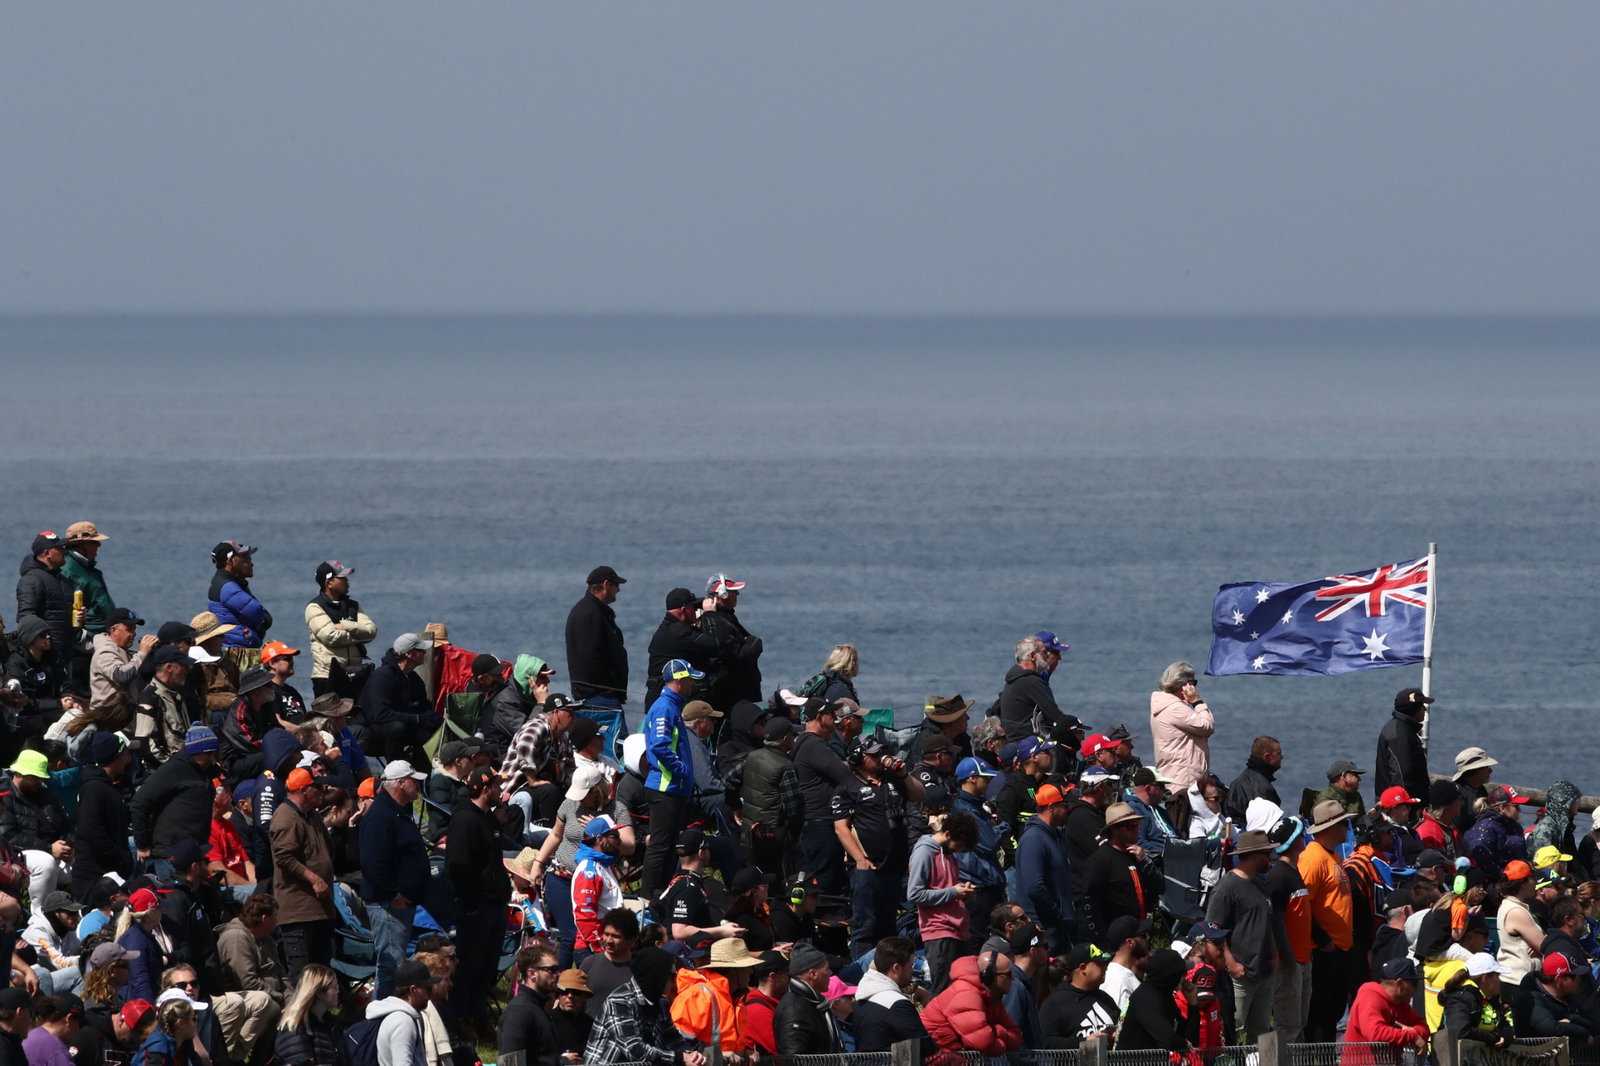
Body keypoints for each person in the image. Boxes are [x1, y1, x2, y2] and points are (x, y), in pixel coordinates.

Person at [831, 735, 925, 959]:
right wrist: (859, 859)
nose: (881, 757)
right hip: (868, 869)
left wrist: (903, 774)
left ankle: (889, 969)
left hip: (895, 867)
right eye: (874, 755)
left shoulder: (893, 779)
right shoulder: (847, 787)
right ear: (860, 758)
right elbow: (841, 828)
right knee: (865, 926)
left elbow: (921, 794)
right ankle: (860, 974)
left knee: (888, 926)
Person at [358, 761, 432, 999]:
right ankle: (383, 1015)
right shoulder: (381, 815)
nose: (418, 785)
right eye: (413, 780)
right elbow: (373, 863)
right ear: (400, 783)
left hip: (400, 904)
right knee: (392, 965)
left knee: (397, 962)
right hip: (388, 905)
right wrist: (393, 894)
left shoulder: (397, 811)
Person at [443, 767, 510, 1021]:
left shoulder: (485, 819)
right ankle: (462, 1019)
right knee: (470, 967)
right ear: (485, 790)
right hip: (476, 908)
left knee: (487, 967)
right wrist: (471, 905)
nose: (500, 791)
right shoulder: (465, 820)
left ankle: (479, 1016)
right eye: (497, 787)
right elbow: (458, 868)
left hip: (493, 905)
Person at [1206, 828, 1279, 1040]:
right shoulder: (1227, 888)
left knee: (1262, 1033)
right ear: (1255, 856)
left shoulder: (1260, 884)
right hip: (1239, 975)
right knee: (1232, 1029)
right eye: (1267, 854)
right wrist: (1231, 962)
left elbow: (1267, 921)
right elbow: (1212, 930)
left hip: (1263, 971)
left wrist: (1274, 953)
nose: (1271, 859)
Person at [640, 660, 699, 902]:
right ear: (679, 680)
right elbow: (660, 746)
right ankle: (647, 899)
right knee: (660, 847)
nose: (693, 684)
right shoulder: (665, 707)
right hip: (665, 787)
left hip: (674, 788)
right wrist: (681, 770)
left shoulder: (672, 706)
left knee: (669, 847)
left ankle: (661, 895)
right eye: (690, 679)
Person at [583, 946, 702, 1066]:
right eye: (671, 975)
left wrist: (691, 1055)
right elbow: (633, 1049)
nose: (674, 981)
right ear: (656, 976)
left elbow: (673, 1039)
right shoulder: (620, 1001)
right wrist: (680, 1058)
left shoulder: (661, 1003)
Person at [270, 768, 336, 981]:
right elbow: (284, 858)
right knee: (303, 975)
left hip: (319, 909)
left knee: (321, 973)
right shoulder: (286, 817)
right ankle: (300, 1015)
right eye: (318, 787)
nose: (322, 791)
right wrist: (315, 878)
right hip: (299, 912)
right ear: (304, 790)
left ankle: (320, 1015)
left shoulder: (312, 815)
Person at [1299, 799, 1356, 1043]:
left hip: (1340, 948)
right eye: (1344, 823)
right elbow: (1302, 904)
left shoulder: (1331, 855)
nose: (1348, 827)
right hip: (1323, 950)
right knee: (1320, 1016)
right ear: (1331, 827)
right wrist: (1322, 940)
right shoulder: (1313, 858)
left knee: (1332, 1013)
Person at [908, 811, 978, 992]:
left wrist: (962, 892)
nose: (959, 850)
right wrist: (953, 892)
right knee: (944, 992)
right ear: (947, 834)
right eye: (958, 844)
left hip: (960, 930)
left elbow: (945, 886)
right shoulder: (924, 852)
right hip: (938, 932)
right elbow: (914, 894)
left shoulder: (948, 854)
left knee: (965, 988)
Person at [789, 699, 853, 897]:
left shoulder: (804, 742)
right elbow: (845, 776)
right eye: (832, 717)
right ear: (819, 717)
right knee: (827, 881)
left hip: (812, 821)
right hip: (819, 822)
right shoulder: (814, 745)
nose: (835, 722)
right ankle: (827, 921)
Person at [669, 937, 762, 1063]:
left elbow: (730, 1044)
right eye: (747, 967)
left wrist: (744, 1051)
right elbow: (678, 1043)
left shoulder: (735, 1000)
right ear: (733, 970)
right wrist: (719, 1055)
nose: (751, 972)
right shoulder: (697, 996)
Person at [737, 715, 801, 887]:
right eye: (792, 736)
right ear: (786, 739)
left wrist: (736, 806)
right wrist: (796, 834)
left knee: (756, 876)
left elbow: (729, 780)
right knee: (777, 878)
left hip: (751, 831)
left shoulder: (752, 756)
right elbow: (793, 808)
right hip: (774, 835)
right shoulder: (786, 767)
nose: (794, 739)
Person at [921, 951, 1023, 1057]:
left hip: (951, 1058)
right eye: (1008, 974)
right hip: (933, 1058)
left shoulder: (993, 998)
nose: (1013, 979)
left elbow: (1016, 1038)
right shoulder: (966, 994)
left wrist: (999, 1034)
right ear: (988, 976)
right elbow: (984, 1043)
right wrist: (1002, 1038)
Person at [1266, 814, 1312, 1043]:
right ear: (1295, 841)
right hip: (1290, 963)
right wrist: (1288, 959)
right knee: (1288, 1025)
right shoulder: (1279, 876)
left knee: (1299, 1022)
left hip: (1302, 959)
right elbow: (1275, 920)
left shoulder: (1293, 871)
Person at [355, 635, 435, 765]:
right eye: (422, 650)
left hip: (401, 726)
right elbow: (380, 715)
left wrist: (432, 717)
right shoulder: (382, 676)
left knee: (428, 731)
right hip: (373, 730)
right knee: (397, 728)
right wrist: (416, 719)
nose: (425, 653)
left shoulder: (414, 679)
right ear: (410, 654)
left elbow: (424, 707)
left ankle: (419, 780)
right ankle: (395, 772)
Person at [1016, 782, 1076, 952]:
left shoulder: (1052, 835)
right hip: (1045, 926)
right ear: (1051, 808)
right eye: (1064, 805)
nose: (1068, 809)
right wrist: (1056, 912)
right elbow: (1034, 887)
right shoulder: (1034, 839)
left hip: (1057, 924)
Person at [1080, 801, 1151, 942]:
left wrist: (1145, 862)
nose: (1137, 829)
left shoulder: (1137, 855)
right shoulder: (1100, 860)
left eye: (1138, 824)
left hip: (1137, 934)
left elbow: (1160, 887)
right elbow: (1089, 905)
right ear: (1114, 830)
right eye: (1131, 826)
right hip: (1115, 939)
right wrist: (1103, 940)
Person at [303, 561, 376, 699]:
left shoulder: (353, 605)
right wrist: (358, 633)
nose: (347, 580)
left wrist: (346, 625)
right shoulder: (314, 607)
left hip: (355, 674)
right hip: (327, 676)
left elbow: (371, 632)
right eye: (342, 578)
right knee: (328, 719)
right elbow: (331, 636)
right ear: (329, 583)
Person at [641, 588, 719, 710]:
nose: (695, 610)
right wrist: (710, 614)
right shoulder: (679, 632)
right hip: (667, 702)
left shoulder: (670, 628)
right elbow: (714, 644)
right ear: (684, 610)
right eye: (693, 607)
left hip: (661, 697)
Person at [695, 574, 762, 713]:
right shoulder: (719, 621)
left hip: (730, 691)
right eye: (733, 591)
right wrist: (754, 643)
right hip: (728, 694)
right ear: (722, 594)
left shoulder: (725, 617)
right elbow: (735, 658)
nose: (737, 594)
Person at [852, 935, 930, 1054]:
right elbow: (926, 1049)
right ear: (896, 968)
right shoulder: (897, 1004)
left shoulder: (860, 998)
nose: (912, 971)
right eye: (910, 966)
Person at [564, 566, 628, 708]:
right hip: (598, 697)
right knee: (618, 731)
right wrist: (607, 689)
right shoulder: (590, 614)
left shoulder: (596, 611)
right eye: (616, 585)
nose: (618, 589)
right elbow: (589, 657)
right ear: (606, 585)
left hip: (600, 696)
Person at [1344, 957, 1429, 1060]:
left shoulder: (1400, 1003)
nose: (1415, 989)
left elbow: (1423, 1027)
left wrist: (1412, 1033)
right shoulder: (1369, 998)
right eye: (1414, 983)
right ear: (1400, 983)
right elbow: (1375, 1033)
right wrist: (1412, 1036)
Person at [132, 647, 202, 772]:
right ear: (169, 667)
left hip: (183, 765)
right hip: (166, 771)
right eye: (183, 666)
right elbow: (145, 742)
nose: (187, 670)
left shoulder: (176, 695)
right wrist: (168, 769)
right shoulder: (150, 697)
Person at [1149, 660, 1213, 789]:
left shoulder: (1164, 705)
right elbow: (1207, 726)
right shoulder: (1175, 708)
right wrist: (1197, 702)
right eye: (1193, 683)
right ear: (1184, 685)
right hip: (1184, 778)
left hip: (1174, 775)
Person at [572, 816, 626, 966]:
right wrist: (600, 947)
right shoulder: (589, 870)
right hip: (591, 949)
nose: (619, 840)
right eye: (614, 836)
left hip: (609, 943)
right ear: (600, 839)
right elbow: (584, 914)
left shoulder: (605, 865)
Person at [88, 608, 156, 724]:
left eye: (134, 629)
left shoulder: (123, 651)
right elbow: (121, 675)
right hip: (107, 723)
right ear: (114, 630)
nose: (133, 634)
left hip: (122, 722)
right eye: (129, 629)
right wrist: (142, 653)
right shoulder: (104, 652)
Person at [16, 531, 74, 667]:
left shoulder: (63, 580)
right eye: (60, 548)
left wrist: (79, 620)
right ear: (47, 553)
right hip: (45, 657)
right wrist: (39, 650)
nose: (65, 552)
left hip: (65, 655)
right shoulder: (32, 580)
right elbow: (26, 618)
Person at [1117, 948, 1192, 1052]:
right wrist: (1184, 1043)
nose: (1184, 978)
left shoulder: (1166, 996)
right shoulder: (1145, 997)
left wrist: (1193, 1004)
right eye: (1180, 974)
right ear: (1170, 975)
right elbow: (1168, 1039)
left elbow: (1190, 1037)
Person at [772, 944, 841, 1056]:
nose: (830, 973)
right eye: (826, 969)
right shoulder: (794, 1008)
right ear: (813, 974)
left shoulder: (813, 1002)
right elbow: (794, 1057)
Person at [215, 894, 283, 1006]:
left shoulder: (267, 938)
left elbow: (282, 976)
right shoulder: (236, 938)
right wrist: (280, 1000)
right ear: (265, 918)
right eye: (275, 916)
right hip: (253, 1003)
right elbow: (248, 983)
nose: (277, 920)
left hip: (274, 998)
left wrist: (292, 1002)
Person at [1438, 953, 1515, 1051]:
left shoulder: (1492, 999)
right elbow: (1460, 1031)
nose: (1500, 981)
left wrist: (1506, 1036)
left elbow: (1505, 1026)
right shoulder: (1460, 998)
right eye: (1497, 976)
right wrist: (1491, 1038)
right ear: (1485, 979)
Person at [1522, 951, 1599, 1049]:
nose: (1580, 980)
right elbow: (1549, 1027)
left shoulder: (1567, 995)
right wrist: (1583, 1033)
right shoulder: (1530, 998)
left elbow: (1593, 1027)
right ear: (1559, 980)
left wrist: (1571, 1019)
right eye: (1576, 977)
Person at [497, 946, 559, 1066]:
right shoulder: (519, 1012)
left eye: (558, 969)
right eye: (552, 970)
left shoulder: (538, 1007)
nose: (558, 974)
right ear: (532, 973)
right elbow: (511, 1063)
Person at [273, 964, 345, 1066]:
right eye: (334, 987)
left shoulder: (332, 1024)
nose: (338, 991)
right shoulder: (294, 1027)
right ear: (319, 993)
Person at [366, 960, 434, 1066]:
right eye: (428, 989)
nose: (430, 994)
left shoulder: (401, 1017)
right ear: (413, 990)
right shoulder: (403, 1022)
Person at [206, 541, 271, 651]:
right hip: (237, 650)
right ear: (231, 561)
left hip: (235, 647)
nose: (251, 563)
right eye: (246, 559)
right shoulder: (228, 588)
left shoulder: (228, 583)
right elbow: (261, 615)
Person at [578, 908, 638, 1019]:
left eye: (616, 936)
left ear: (631, 940)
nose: (609, 940)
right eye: (606, 934)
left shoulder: (639, 969)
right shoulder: (589, 963)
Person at [1464, 786, 1532, 881]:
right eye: (1516, 806)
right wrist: (1506, 877)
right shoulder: (1485, 829)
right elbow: (1483, 863)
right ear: (1503, 808)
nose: (1519, 810)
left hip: (1519, 879)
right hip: (1497, 883)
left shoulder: (1516, 827)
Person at [1375, 688, 1431, 802]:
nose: (1425, 709)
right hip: (1400, 809)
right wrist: (1405, 807)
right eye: (1422, 705)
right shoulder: (1400, 736)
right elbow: (1401, 776)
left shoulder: (1400, 729)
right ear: (1414, 709)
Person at [1496, 859, 1543, 983]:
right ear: (1523, 883)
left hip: (1520, 979)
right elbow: (1544, 945)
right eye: (1532, 878)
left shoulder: (1513, 905)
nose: (1535, 882)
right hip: (1518, 981)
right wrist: (1539, 943)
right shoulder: (1516, 911)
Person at [1003, 922, 1049, 1049]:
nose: (1048, 950)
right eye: (1045, 946)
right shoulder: (1014, 986)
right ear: (1033, 951)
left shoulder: (1023, 983)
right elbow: (1012, 1036)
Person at [1223, 736, 1282, 826]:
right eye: (1279, 754)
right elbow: (1267, 824)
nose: (1281, 757)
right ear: (1267, 756)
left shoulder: (1238, 781)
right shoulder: (1263, 788)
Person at [741, 952, 788, 1057]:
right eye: (787, 975)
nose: (790, 980)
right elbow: (783, 1050)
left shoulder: (770, 1004)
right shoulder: (757, 1010)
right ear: (773, 977)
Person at [547, 971, 593, 1064]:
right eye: (564, 992)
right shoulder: (547, 1021)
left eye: (576, 992)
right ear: (558, 995)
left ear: (585, 996)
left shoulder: (590, 1023)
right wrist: (560, 1060)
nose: (570, 996)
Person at [23, 993, 82, 1066]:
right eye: (80, 1022)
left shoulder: (29, 1036)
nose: (79, 1029)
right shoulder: (56, 1050)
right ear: (68, 1019)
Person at [1452, 747, 1499, 834]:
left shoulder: (1480, 790)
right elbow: (1457, 829)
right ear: (1476, 771)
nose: (1491, 771)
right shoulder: (1457, 795)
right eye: (1487, 768)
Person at [1416, 779, 1464, 858]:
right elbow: (1436, 867)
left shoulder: (1448, 825)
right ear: (1447, 804)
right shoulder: (1430, 833)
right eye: (1458, 799)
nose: (1462, 803)